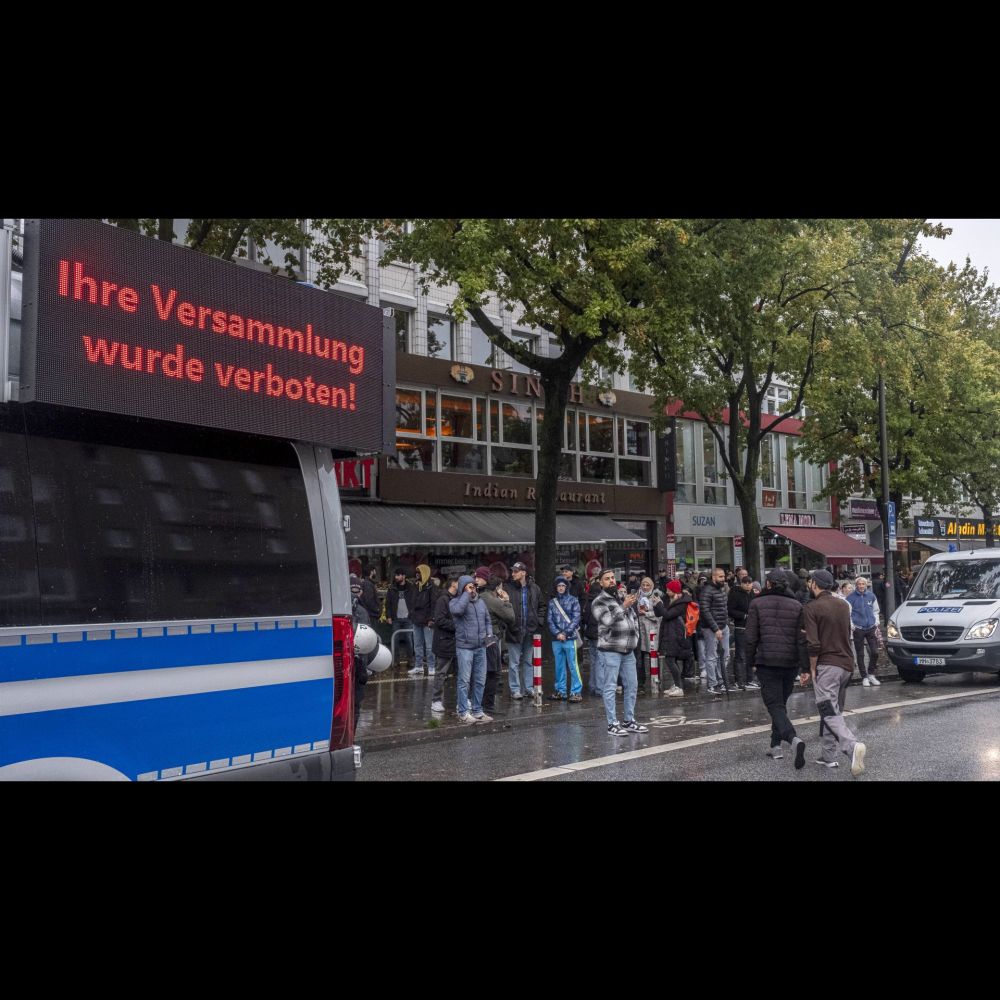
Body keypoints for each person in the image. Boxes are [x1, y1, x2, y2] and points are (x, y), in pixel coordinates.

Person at [803, 570, 867, 775]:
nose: (808, 585)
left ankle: (851, 746)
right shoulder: (843, 604)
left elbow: (813, 644)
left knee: (828, 711)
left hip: (827, 665)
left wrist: (812, 667)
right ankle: (828, 755)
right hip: (847, 664)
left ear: (815, 584)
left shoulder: (811, 607)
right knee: (834, 710)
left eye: (810, 582)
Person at [743, 569, 808, 768]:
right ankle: (775, 745)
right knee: (780, 704)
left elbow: (751, 636)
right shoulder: (797, 605)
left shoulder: (757, 603)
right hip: (790, 663)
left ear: (769, 584)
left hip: (767, 660)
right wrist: (804, 667)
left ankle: (792, 738)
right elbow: (801, 639)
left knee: (775, 706)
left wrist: (750, 661)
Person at [591, 569, 649, 737]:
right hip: (610, 649)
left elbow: (631, 619)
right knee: (609, 686)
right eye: (607, 579)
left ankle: (629, 720)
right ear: (600, 583)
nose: (611, 581)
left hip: (628, 649)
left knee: (632, 685)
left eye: (612, 578)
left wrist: (635, 637)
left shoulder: (619, 598)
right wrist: (623, 606)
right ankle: (612, 723)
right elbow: (607, 620)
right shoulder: (599, 601)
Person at [449, 574, 493, 724]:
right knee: (464, 681)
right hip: (465, 647)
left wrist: (489, 635)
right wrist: (466, 595)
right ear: (462, 588)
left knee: (480, 680)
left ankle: (477, 711)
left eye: (473, 586)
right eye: (469, 586)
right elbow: (458, 611)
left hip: (481, 646)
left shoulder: (480, 603)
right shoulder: (455, 602)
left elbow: (488, 620)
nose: (472, 588)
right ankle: (463, 712)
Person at [477, 569, 514, 714]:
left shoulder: (481, 597)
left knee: (484, 671)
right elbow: (510, 617)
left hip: (485, 637)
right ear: (497, 588)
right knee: (493, 672)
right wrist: (507, 601)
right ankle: (487, 705)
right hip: (490, 639)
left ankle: (480, 703)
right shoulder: (491, 600)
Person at [507, 561, 542, 700]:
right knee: (514, 663)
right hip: (514, 630)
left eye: (516, 571)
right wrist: (509, 624)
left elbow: (542, 606)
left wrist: (539, 621)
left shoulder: (534, 588)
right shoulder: (508, 588)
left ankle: (528, 688)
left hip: (530, 630)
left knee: (528, 661)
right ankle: (515, 689)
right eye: (513, 571)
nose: (513, 574)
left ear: (523, 573)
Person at [547, 576, 583, 701]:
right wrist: (558, 633)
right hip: (557, 639)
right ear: (556, 588)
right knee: (559, 666)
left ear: (566, 587)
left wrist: (565, 633)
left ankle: (576, 692)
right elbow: (549, 620)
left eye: (563, 585)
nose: (561, 588)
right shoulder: (552, 602)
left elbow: (576, 618)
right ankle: (560, 691)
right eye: (559, 586)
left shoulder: (573, 600)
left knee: (573, 665)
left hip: (570, 638)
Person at [651, 580, 688, 697]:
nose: (666, 592)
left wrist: (660, 605)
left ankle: (679, 687)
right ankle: (677, 685)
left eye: (668, 590)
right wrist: (656, 604)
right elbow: (660, 614)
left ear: (674, 591)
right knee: (672, 660)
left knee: (670, 660)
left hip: (676, 634)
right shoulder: (671, 600)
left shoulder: (681, 603)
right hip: (669, 633)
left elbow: (667, 615)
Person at [699, 567, 731, 693]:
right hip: (711, 628)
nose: (723, 579)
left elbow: (723, 608)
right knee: (712, 656)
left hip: (723, 626)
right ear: (713, 577)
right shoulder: (707, 591)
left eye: (724, 576)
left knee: (725, 656)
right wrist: (715, 628)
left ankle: (721, 681)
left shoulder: (721, 589)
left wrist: (726, 624)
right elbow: (705, 611)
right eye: (720, 577)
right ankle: (712, 684)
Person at [430, 577, 459, 714]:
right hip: (444, 641)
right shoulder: (443, 600)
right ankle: (436, 700)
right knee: (441, 672)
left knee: (460, 672)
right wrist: (457, 626)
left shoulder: (458, 598)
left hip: (456, 641)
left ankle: (462, 700)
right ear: (453, 584)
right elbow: (440, 620)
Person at [847, 576, 881, 686]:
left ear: (866, 585)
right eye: (859, 584)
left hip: (871, 627)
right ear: (856, 585)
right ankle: (864, 677)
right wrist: (852, 625)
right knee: (860, 654)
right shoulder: (850, 598)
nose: (861, 586)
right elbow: (848, 614)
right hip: (858, 628)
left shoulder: (871, 595)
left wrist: (876, 622)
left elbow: (876, 610)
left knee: (875, 652)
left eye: (863, 584)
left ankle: (871, 674)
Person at [728, 574, 759, 690]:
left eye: (749, 582)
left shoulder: (752, 594)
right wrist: (744, 616)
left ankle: (750, 680)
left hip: (751, 628)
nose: (747, 584)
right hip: (740, 627)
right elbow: (730, 610)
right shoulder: (735, 593)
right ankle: (739, 681)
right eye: (745, 582)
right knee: (740, 655)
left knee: (751, 654)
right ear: (741, 583)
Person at [349, 574, 371, 730]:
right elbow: (368, 641)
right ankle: (351, 738)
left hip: (345, 663)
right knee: (355, 704)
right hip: (358, 663)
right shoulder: (362, 611)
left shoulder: (340, 608)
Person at [384, 567, 417, 669]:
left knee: (409, 639)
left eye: (398, 575)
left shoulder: (411, 587)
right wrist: (389, 616)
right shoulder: (391, 588)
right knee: (395, 640)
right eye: (396, 575)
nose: (396, 577)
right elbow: (388, 603)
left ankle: (411, 660)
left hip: (408, 618)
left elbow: (415, 601)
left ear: (404, 576)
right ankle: (395, 661)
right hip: (396, 618)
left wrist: (412, 614)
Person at [409, 564, 438, 677]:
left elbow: (434, 605)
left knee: (429, 646)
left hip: (427, 621)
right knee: (417, 645)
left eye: (419, 573)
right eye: (416, 573)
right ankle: (418, 666)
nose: (417, 575)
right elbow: (413, 602)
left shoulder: (432, 587)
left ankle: (431, 666)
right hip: (416, 619)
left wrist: (431, 619)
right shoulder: (416, 586)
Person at [583, 573, 604, 697]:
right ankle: (599, 688)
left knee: (593, 660)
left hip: (590, 634)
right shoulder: (601, 602)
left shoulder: (588, 601)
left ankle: (592, 686)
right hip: (600, 634)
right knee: (600, 661)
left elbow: (585, 618)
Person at [635, 576, 658, 693]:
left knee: (653, 658)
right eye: (643, 584)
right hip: (639, 631)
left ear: (651, 586)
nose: (645, 587)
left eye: (647, 585)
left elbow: (660, 615)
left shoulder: (656, 597)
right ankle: (640, 684)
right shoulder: (637, 597)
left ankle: (655, 680)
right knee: (639, 658)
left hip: (651, 632)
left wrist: (646, 613)